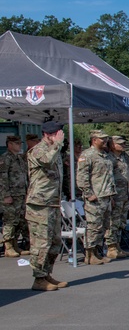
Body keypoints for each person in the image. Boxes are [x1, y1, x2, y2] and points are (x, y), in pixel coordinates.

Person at [26, 121, 67, 291]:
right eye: (56, 134)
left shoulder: (54, 150)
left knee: (55, 241)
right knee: (41, 243)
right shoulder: (38, 150)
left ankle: (47, 273)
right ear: (47, 134)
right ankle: (38, 278)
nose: (59, 137)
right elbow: (47, 162)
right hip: (39, 204)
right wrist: (57, 144)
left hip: (53, 202)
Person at [77, 130, 116, 265]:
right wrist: (89, 194)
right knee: (93, 226)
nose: (104, 141)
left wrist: (111, 195)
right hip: (95, 197)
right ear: (94, 140)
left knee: (103, 226)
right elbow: (82, 177)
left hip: (105, 195)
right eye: (102, 139)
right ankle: (89, 254)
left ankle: (97, 253)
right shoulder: (87, 155)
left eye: (106, 139)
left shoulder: (105, 155)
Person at [0, 135, 30, 257]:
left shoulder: (18, 158)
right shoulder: (5, 159)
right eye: (17, 143)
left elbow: (24, 177)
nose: (19, 145)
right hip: (10, 195)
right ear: (10, 144)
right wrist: (6, 195)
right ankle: (8, 246)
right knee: (10, 220)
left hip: (21, 194)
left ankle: (16, 245)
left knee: (20, 220)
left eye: (20, 143)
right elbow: (2, 178)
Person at [105, 135, 129, 259]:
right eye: (120, 143)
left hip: (124, 194)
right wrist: (110, 196)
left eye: (124, 143)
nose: (123, 145)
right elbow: (107, 178)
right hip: (115, 194)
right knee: (113, 222)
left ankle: (118, 246)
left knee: (121, 221)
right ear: (112, 144)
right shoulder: (108, 158)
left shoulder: (124, 157)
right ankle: (111, 247)